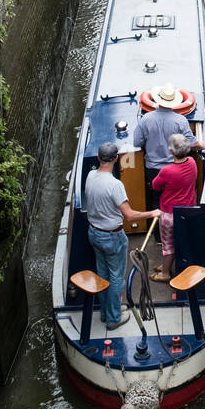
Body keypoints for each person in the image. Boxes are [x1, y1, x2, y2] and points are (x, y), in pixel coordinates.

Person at [83, 141, 160, 329]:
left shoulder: (91, 176)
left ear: (99, 158)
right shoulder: (115, 185)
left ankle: (105, 312)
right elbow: (129, 215)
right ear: (116, 159)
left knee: (103, 274)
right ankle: (114, 318)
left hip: (94, 233)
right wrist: (152, 213)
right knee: (117, 277)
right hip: (112, 237)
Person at [132, 83, 205, 215]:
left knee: (156, 198)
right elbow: (191, 143)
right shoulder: (181, 120)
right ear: (174, 102)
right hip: (175, 169)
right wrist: (201, 145)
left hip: (152, 169)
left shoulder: (145, 120)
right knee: (178, 196)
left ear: (157, 100)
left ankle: (158, 231)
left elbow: (137, 142)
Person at [150, 134, 199, 282]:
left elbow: (155, 185)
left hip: (169, 214)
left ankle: (165, 273)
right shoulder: (192, 162)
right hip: (187, 211)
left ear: (171, 152)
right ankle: (168, 265)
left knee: (168, 246)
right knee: (182, 240)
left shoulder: (167, 171)